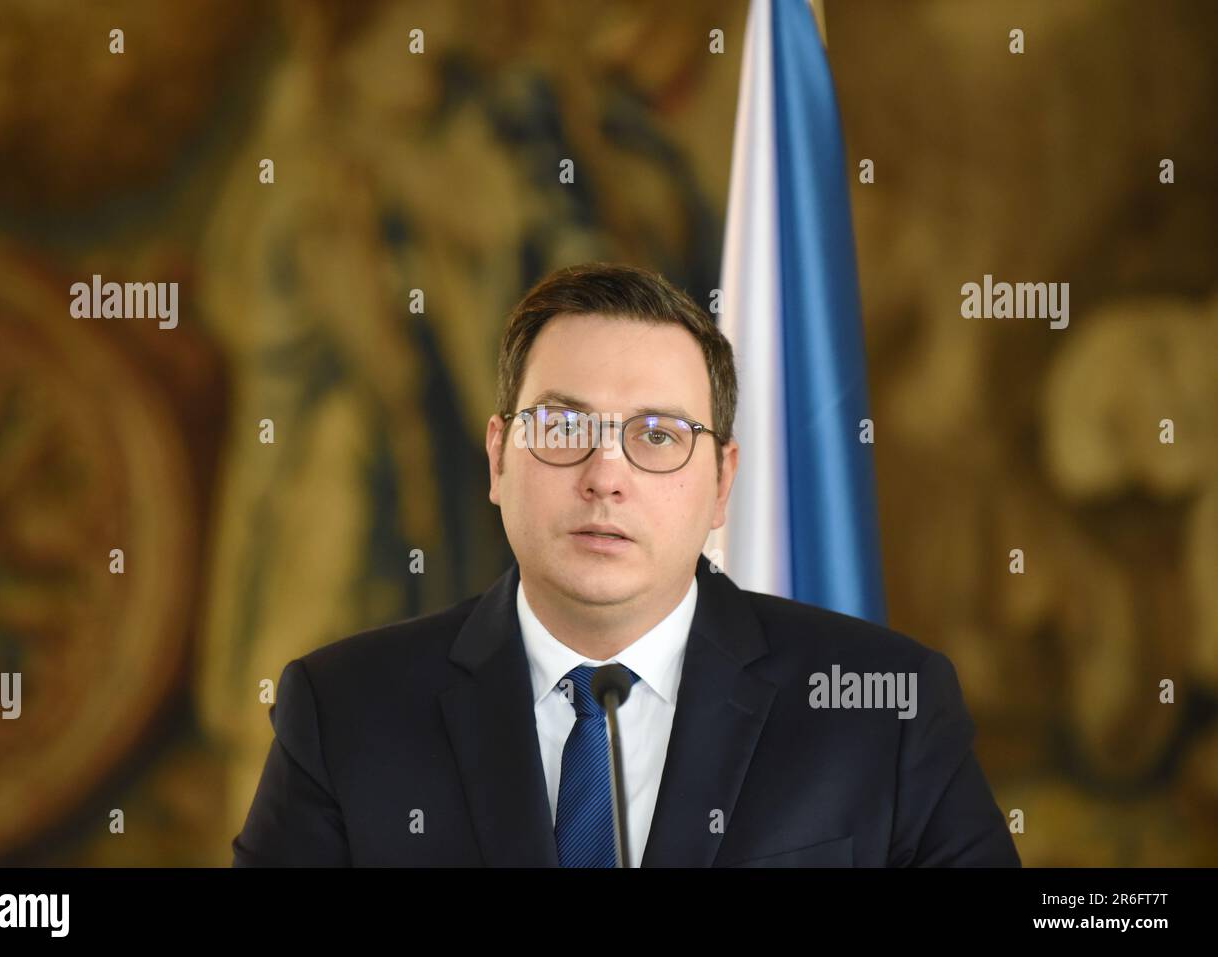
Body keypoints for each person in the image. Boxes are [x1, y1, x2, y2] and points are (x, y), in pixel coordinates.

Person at [232, 261, 1021, 867]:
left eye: (657, 435)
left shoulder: (886, 708)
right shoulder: (341, 712)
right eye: (562, 424)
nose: (605, 473)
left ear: (722, 483)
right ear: (500, 457)